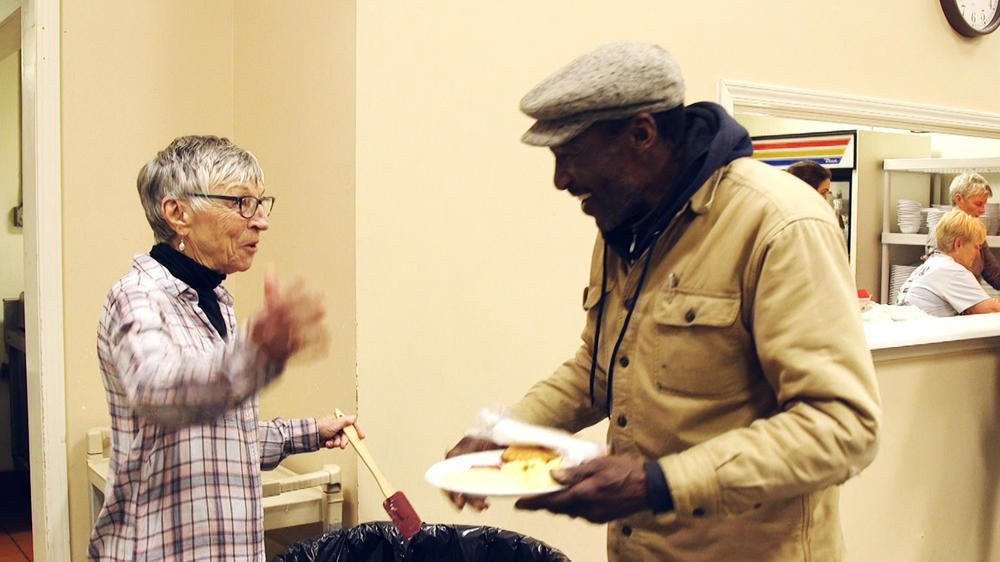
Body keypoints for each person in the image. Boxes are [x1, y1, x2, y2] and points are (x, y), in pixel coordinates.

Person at [444, 43, 880, 561]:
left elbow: (844, 426)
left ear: (641, 135)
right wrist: (504, 432)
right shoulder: (621, 227)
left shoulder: (780, 223)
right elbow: (600, 370)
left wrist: (659, 483)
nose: (561, 180)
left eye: (570, 155)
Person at [89, 135, 364, 561]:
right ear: (177, 213)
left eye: (261, 203)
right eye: (241, 203)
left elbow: (223, 442)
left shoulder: (216, 304)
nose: (260, 221)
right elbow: (158, 393)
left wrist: (310, 431)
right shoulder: (137, 297)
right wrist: (255, 356)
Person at [897, 208, 1000, 316]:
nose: (978, 254)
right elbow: (991, 309)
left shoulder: (932, 264)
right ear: (958, 244)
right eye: (976, 247)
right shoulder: (952, 270)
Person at [924, 172, 1000, 288]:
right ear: (959, 199)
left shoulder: (974, 232)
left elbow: (994, 275)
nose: (983, 210)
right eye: (978, 204)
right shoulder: (941, 232)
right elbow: (940, 278)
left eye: (984, 204)